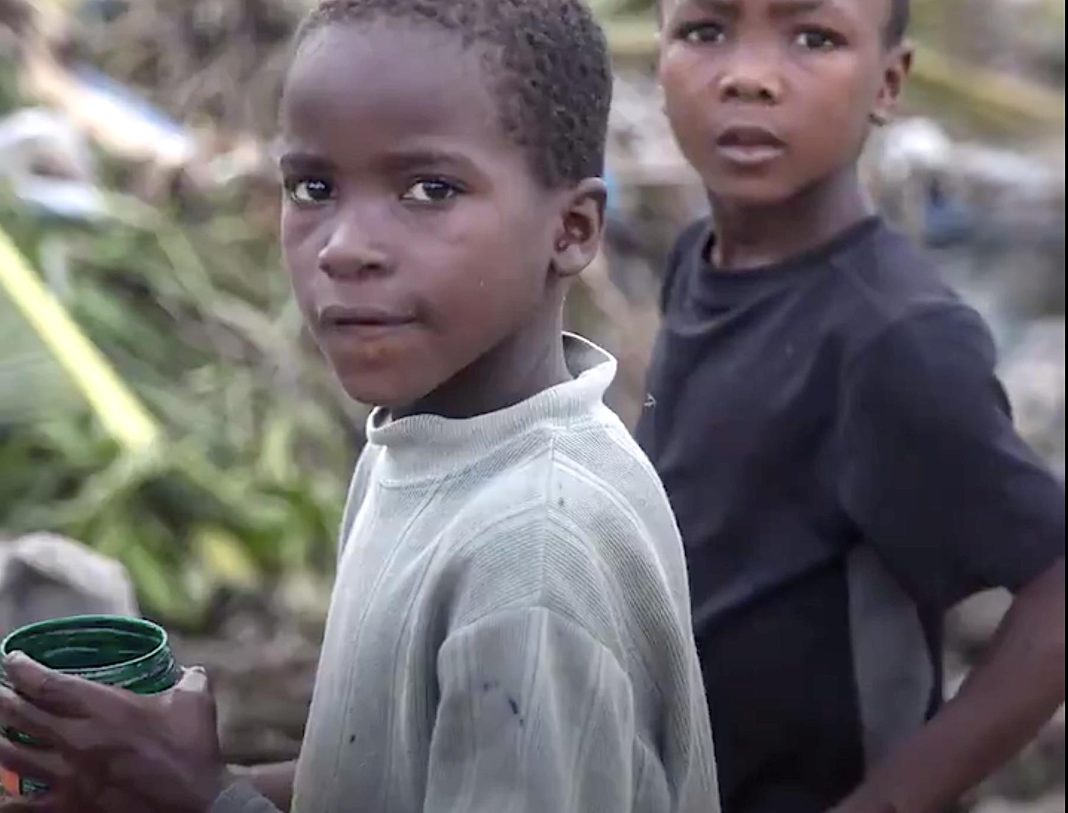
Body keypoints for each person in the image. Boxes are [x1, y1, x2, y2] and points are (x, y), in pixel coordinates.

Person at [0, 2, 719, 811]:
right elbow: (385, 774)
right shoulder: (421, 445)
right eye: (313, 187)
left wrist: (205, 798)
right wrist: (159, 785)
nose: (344, 248)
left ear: (573, 229)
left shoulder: (532, 554)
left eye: (429, 189)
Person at [637, 0, 1066, 811]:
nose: (749, 77)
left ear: (888, 83)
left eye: (814, 37)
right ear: (659, 61)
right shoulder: (701, 258)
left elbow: (1055, 590)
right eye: (704, 31)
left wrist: (890, 800)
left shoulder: (895, 338)